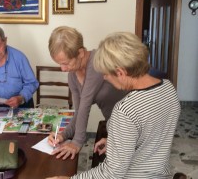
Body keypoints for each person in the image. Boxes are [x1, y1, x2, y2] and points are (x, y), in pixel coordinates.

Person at [47, 32, 180, 179]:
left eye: (105, 74)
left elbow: (112, 173)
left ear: (120, 73)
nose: (104, 78)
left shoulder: (124, 110)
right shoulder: (169, 88)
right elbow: (151, 137)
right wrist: (117, 140)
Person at [47, 26, 126, 160]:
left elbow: (85, 105)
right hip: (114, 125)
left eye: (66, 63)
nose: (63, 69)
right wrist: (62, 135)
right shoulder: (73, 75)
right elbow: (79, 112)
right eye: (59, 64)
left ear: (81, 53)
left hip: (131, 123)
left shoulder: (96, 62)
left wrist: (77, 142)